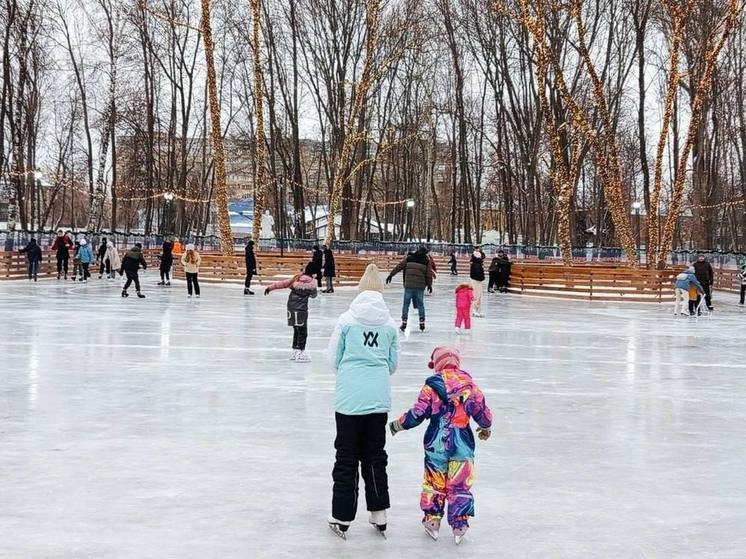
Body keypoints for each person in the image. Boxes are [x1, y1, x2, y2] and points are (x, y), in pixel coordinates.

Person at [389, 346, 492, 545]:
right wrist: (486, 426)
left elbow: (418, 413)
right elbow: (482, 411)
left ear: (437, 364)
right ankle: (459, 524)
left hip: (436, 443)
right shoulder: (470, 386)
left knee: (434, 480)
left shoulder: (431, 386)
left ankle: (432, 520)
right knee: (460, 483)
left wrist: (399, 424)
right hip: (462, 443)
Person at [326, 264, 400, 539]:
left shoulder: (347, 320)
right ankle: (379, 513)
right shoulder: (390, 325)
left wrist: (350, 372)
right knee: (375, 455)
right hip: (378, 399)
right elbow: (393, 364)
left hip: (349, 400)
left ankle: (341, 516)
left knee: (346, 456)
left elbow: (333, 358)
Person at [264, 263, 318, 361]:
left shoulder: (296, 278)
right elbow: (314, 295)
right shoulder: (312, 283)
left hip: (291, 307)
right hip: (301, 310)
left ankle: (294, 352)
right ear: (314, 273)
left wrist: (270, 287)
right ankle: (300, 352)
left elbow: (283, 283)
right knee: (303, 332)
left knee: (296, 330)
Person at [386, 245, 434, 332]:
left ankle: (404, 322)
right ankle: (422, 322)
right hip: (420, 286)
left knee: (406, 304)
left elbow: (399, 266)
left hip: (409, 285)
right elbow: (429, 274)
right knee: (420, 304)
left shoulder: (409, 258)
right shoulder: (426, 261)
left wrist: (391, 275)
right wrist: (429, 285)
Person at [469, 246, 486, 317]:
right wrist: (482, 278)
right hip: (476, 280)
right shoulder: (477, 264)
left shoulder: (475, 263)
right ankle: (474, 309)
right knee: (477, 294)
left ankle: (476, 310)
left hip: (475, 280)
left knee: (478, 295)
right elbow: (478, 275)